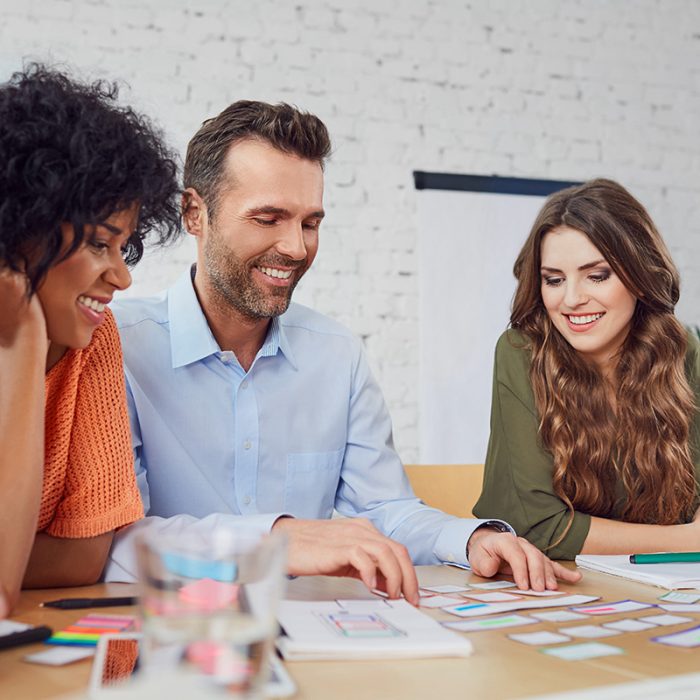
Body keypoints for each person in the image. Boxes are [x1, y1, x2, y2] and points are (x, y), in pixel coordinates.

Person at [105, 100, 580, 600]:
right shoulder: (119, 346)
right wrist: (278, 539)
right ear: (194, 214)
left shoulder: (336, 355)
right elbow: (115, 540)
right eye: (268, 218)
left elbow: (381, 510)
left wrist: (470, 538)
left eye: (310, 223)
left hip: (314, 641)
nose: (295, 247)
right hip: (169, 640)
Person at [0, 65, 181, 615]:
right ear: (22, 225)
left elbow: (85, 554)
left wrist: (26, 334)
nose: (122, 277)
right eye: (101, 244)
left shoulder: (93, 344)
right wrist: (25, 340)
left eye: (125, 248)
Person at [474, 178, 700, 560]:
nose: (572, 299)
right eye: (554, 280)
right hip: (559, 590)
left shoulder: (683, 350)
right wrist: (687, 540)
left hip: (667, 589)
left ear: (639, 276)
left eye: (597, 275)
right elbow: (539, 527)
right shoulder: (521, 352)